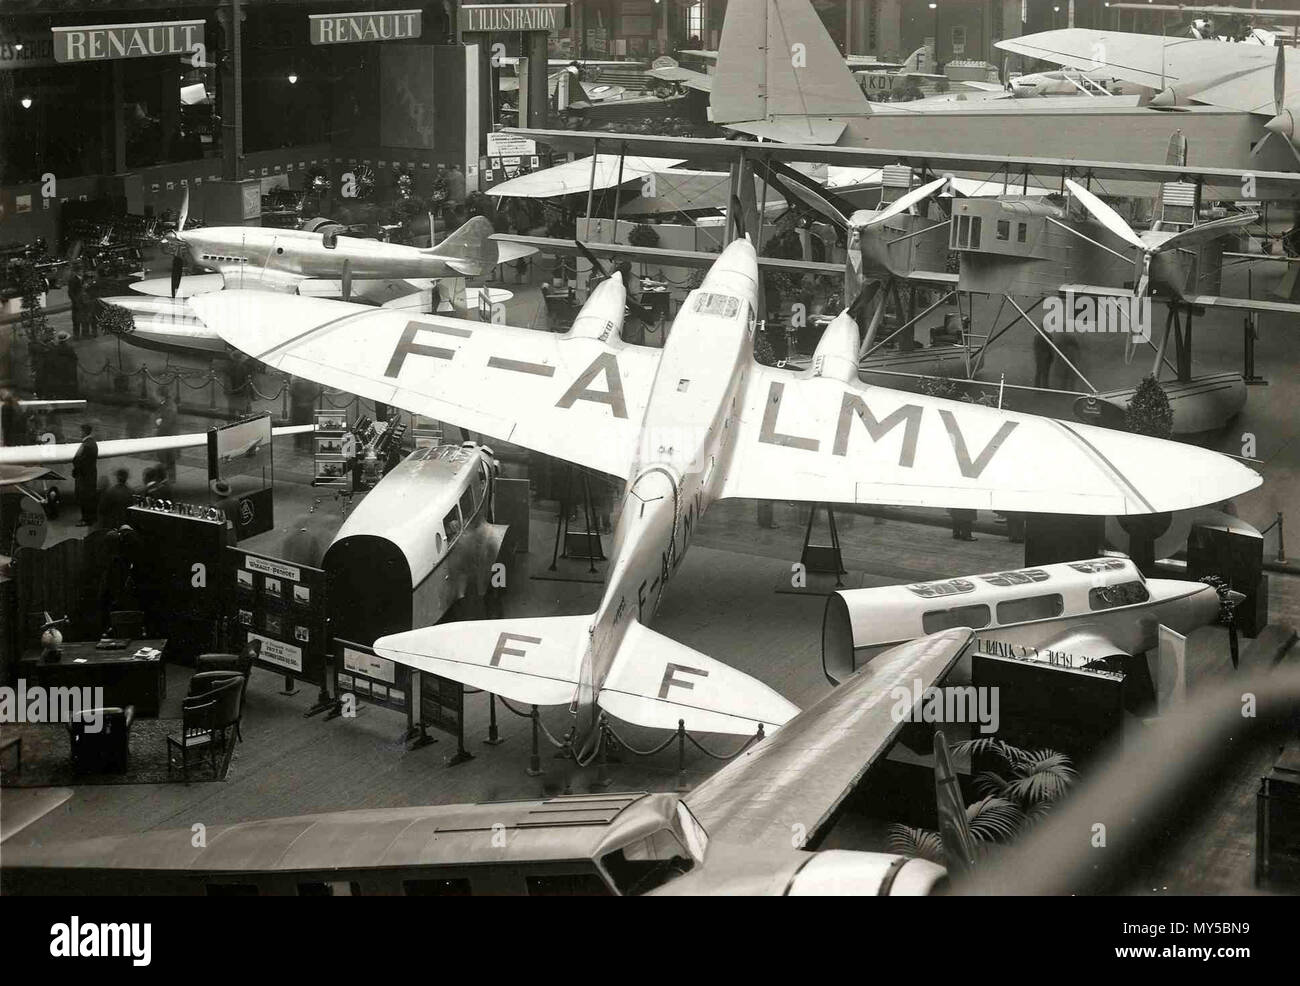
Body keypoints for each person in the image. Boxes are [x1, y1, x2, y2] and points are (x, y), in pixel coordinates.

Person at [72, 422, 98, 526]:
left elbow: (79, 461)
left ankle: (86, 519)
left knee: (84, 498)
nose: (79, 433)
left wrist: (75, 471)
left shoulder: (86, 445)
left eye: (80, 431)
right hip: (89, 475)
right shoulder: (91, 443)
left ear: (84, 432)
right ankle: (90, 518)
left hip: (84, 477)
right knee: (88, 498)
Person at [154, 388, 178, 481]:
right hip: (168, 435)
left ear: (161, 396)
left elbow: (167, 421)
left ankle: (168, 479)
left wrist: (159, 422)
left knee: (167, 458)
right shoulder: (167, 404)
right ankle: (170, 478)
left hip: (167, 435)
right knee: (168, 458)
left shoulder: (169, 406)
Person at [212, 479, 241, 545]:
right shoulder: (236, 502)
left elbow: (212, 524)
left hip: (220, 537)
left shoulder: (215, 506)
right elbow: (239, 518)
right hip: (232, 535)